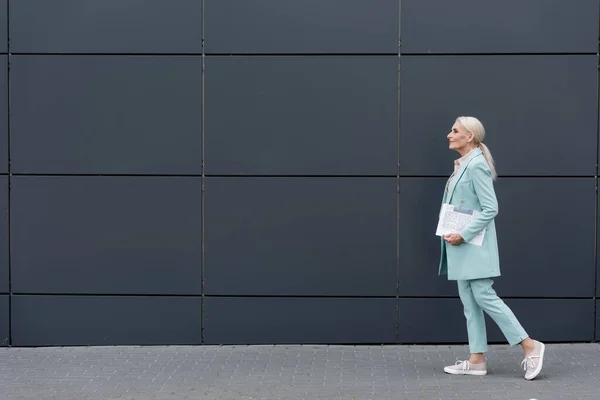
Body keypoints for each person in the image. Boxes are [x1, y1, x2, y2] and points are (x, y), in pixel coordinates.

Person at [438, 116, 545, 380]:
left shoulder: (475, 165)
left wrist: (462, 234)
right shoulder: (463, 164)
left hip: (472, 244)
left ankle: (530, 345)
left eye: (455, 131)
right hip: (462, 245)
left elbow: (491, 208)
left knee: (484, 296)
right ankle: (476, 360)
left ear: (470, 136)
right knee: (469, 301)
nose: (449, 135)